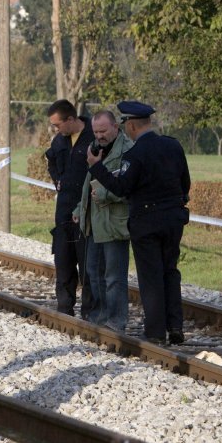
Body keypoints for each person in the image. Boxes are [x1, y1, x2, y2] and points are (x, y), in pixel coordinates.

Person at [86, 101, 190, 345]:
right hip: (174, 218)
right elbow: (185, 182)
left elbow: (121, 188)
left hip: (146, 221)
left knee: (151, 276)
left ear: (130, 125)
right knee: (170, 271)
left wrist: (96, 167)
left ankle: (155, 332)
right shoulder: (174, 146)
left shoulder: (135, 154)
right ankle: (175, 325)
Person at [73, 111, 132, 332]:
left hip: (114, 223)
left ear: (116, 127)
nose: (99, 136)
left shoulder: (127, 151)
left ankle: (117, 321)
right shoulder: (94, 148)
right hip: (93, 222)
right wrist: (80, 208)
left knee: (114, 276)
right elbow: (88, 183)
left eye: (103, 131)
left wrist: (106, 195)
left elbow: (128, 187)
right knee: (93, 273)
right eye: (96, 131)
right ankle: (99, 317)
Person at [45, 99, 94, 319]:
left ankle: (90, 311)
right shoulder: (60, 141)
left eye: (58, 125)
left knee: (87, 263)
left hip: (87, 210)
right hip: (64, 210)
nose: (56, 129)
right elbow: (52, 161)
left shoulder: (94, 136)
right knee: (63, 260)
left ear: (71, 119)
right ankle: (64, 307)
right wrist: (57, 180)